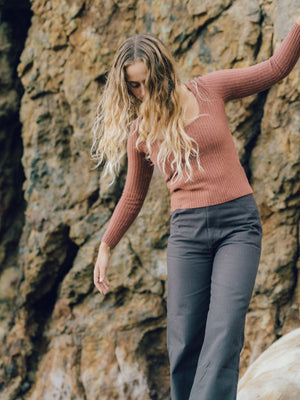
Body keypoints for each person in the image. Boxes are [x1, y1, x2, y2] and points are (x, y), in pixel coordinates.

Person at [92, 16, 300, 400]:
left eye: (147, 81)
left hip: (238, 226)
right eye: (133, 86)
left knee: (224, 329)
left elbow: (274, 68)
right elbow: (133, 195)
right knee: (185, 338)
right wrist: (106, 246)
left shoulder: (209, 90)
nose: (142, 91)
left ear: (163, 70)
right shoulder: (140, 132)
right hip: (187, 235)